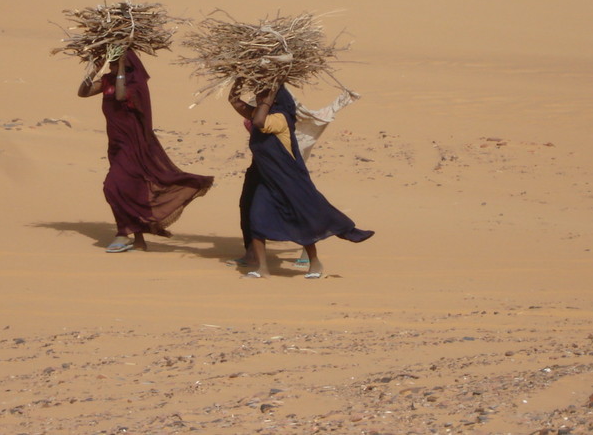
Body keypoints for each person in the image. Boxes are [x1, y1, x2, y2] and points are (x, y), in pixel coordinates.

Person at [228, 79, 373, 278]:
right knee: (256, 218)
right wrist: (238, 81)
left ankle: (315, 263)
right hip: (267, 180)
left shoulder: (280, 118)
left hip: (289, 181)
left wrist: (267, 100)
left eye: (264, 97)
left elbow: (260, 122)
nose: (259, 99)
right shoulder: (263, 113)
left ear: (276, 101)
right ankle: (262, 268)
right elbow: (235, 102)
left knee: (301, 219)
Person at [79, 49, 213, 252]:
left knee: (111, 186)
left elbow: (121, 96)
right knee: (133, 188)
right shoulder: (107, 81)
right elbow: (83, 92)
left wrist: (122, 67)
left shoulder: (136, 85)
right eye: (112, 63)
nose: (112, 67)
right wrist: (93, 70)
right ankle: (139, 240)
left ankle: (122, 233)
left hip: (134, 145)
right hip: (115, 144)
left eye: (115, 63)